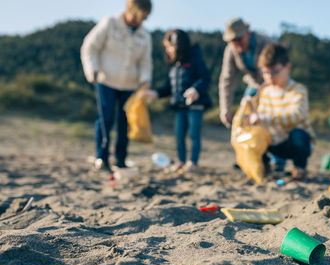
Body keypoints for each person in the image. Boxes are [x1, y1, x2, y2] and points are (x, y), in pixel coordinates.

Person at [81, 0, 152, 171]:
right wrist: (93, 70)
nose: (139, 21)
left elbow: (145, 62)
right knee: (106, 118)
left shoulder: (145, 36)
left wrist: (145, 81)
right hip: (106, 81)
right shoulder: (109, 23)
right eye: (137, 17)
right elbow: (90, 47)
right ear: (128, 9)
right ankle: (101, 157)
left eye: (143, 18)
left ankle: (120, 159)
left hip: (130, 85)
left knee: (125, 122)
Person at [219, 17, 286, 170]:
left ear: (248, 33)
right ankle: (251, 157)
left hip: (273, 85)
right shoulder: (231, 50)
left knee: (270, 120)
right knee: (245, 120)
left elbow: (280, 68)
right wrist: (225, 108)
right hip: (253, 85)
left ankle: (278, 161)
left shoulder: (267, 43)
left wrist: (271, 86)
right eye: (231, 40)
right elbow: (227, 79)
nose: (235, 43)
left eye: (238, 39)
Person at [141, 30, 212, 173]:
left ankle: (193, 162)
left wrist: (195, 90)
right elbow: (169, 87)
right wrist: (155, 93)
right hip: (179, 105)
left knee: (194, 134)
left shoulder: (195, 59)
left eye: (170, 46)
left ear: (179, 45)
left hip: (195, 105)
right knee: (179, 134)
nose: (168, 50)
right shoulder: (174, 66)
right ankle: (181, 161)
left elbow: (205, 78)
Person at [248, 43, 315, 181]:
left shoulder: (298, 90)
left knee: (299, 135)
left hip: (293, 143)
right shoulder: (265, 92)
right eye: (265, 72)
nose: (270, 77)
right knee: (254, 134)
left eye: (275, 71)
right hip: (274, 142)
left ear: (288, 67)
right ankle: (264, 166)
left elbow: (295, 116)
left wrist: (265, 118)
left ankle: (300, 168)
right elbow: (260, 118)